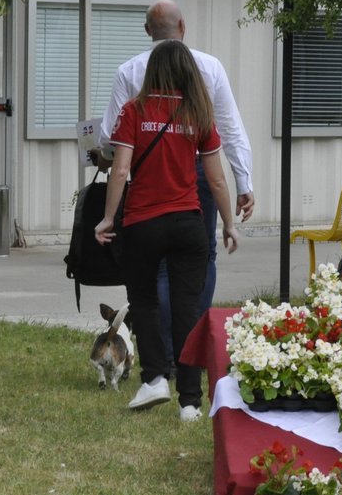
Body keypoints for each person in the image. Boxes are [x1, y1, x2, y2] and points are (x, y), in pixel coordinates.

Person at [95, 0, 253, 356]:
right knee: (203, 258)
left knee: (158, 266)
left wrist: (108, 211)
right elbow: (229, 128)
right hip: (199, 171)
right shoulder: (210, 68)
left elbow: (108, 138)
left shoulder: (130, 70)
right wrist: (244, 184)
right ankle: (192, 347)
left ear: (148, 31)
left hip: (147, 172)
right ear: (182, 27)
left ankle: (163, 352)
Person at [95, 39, 240, 420]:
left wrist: (109, 218)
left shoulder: (134, 110)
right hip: (188, 223)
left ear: (153, 70)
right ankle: (190, 403)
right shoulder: (198, 113)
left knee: (144, 301)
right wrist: (228, 223)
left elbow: (121, 170)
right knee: (189, 310)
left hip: (143, 222)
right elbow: (217, 179)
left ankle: (155, 379)